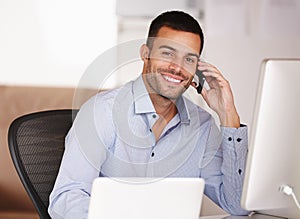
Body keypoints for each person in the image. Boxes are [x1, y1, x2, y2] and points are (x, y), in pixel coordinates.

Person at [48, 10, 250, 218]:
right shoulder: (102, 112)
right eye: (168, 53)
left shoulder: (203, 126)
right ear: (145, 54)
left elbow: (237, 205)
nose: (177, 68)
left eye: (189, 59)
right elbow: (65, 199)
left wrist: (228, 116)